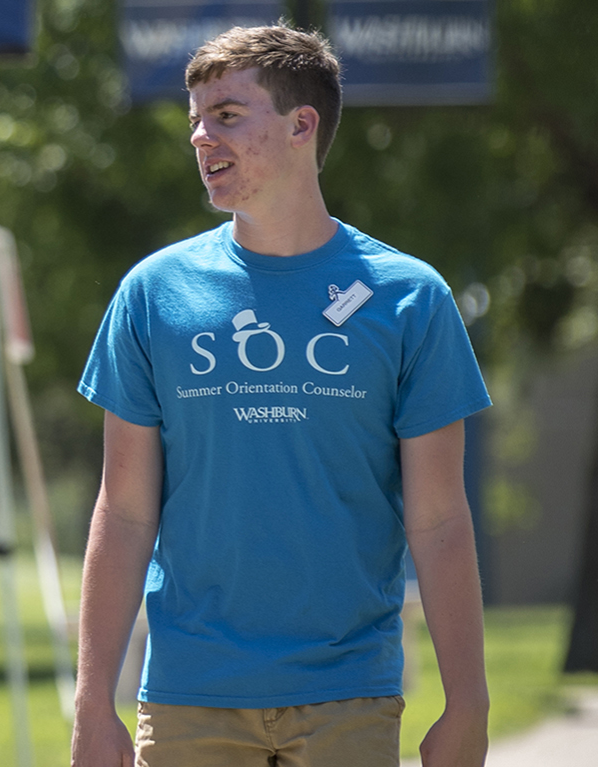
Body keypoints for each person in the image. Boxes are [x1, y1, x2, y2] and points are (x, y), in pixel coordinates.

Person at [71, 25, 491, 767]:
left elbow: (441, 520)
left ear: (303, 125)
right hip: (187, 695)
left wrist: (469, 702)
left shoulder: (409, 298)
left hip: (349, 691)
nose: (201, 136)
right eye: (195, 118)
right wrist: (91, 701)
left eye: (227, 114)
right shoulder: (152, 295)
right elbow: (126, 510)